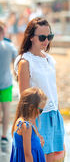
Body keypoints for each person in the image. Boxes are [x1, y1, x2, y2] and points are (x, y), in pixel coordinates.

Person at [14, 17, 66, 162]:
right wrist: (32, 126)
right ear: (31, 37)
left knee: (57, 158)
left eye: (49, 37)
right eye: (42, 37)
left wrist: (58, 116)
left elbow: (52, 89)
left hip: (54, 114)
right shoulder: (25, 61)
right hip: (37, 117)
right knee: (39, 158)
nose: (46, 41)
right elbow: (24, 97)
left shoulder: (49, 59)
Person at [10, 87, 47, 162]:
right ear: (31, 108)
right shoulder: (26, 126)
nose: (40, 114)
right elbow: (27, 154)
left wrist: (38, 143)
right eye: (41, 110)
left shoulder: (20, 121)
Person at [0, 21, 17, 149]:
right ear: (3, 32)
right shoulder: (10, 46)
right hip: (6, 84)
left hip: (6, 83)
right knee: (6, 111)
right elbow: (16, 64)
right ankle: (4, 136)